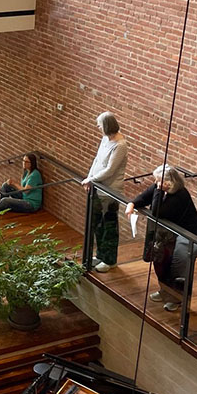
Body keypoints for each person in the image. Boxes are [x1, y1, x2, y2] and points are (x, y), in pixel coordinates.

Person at [124, 165, 197, 310]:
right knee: (161, 263)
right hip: (167, 236)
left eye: (159, 181)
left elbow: (157, 211)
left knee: (176, 267)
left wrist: (158, 191)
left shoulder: (180, 195)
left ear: (169, 182)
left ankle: (177, 298)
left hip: (185, 237)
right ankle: (165, 290)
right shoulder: (159, 187)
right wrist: (132, 203)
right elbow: (144, 197)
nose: (156, 183)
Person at [83, 111, 129, 273]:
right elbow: (97, 161)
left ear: (107, 125)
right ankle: (101, 255)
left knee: (108, 226)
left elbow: (110, 170)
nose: (97, 127)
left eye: (99, 124)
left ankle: (110, 260)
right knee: (97, 225)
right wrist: (89, 177)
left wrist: (91, 179)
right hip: (97, 187)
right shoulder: (105, 140)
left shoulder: (120, 145)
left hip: (109, 192)